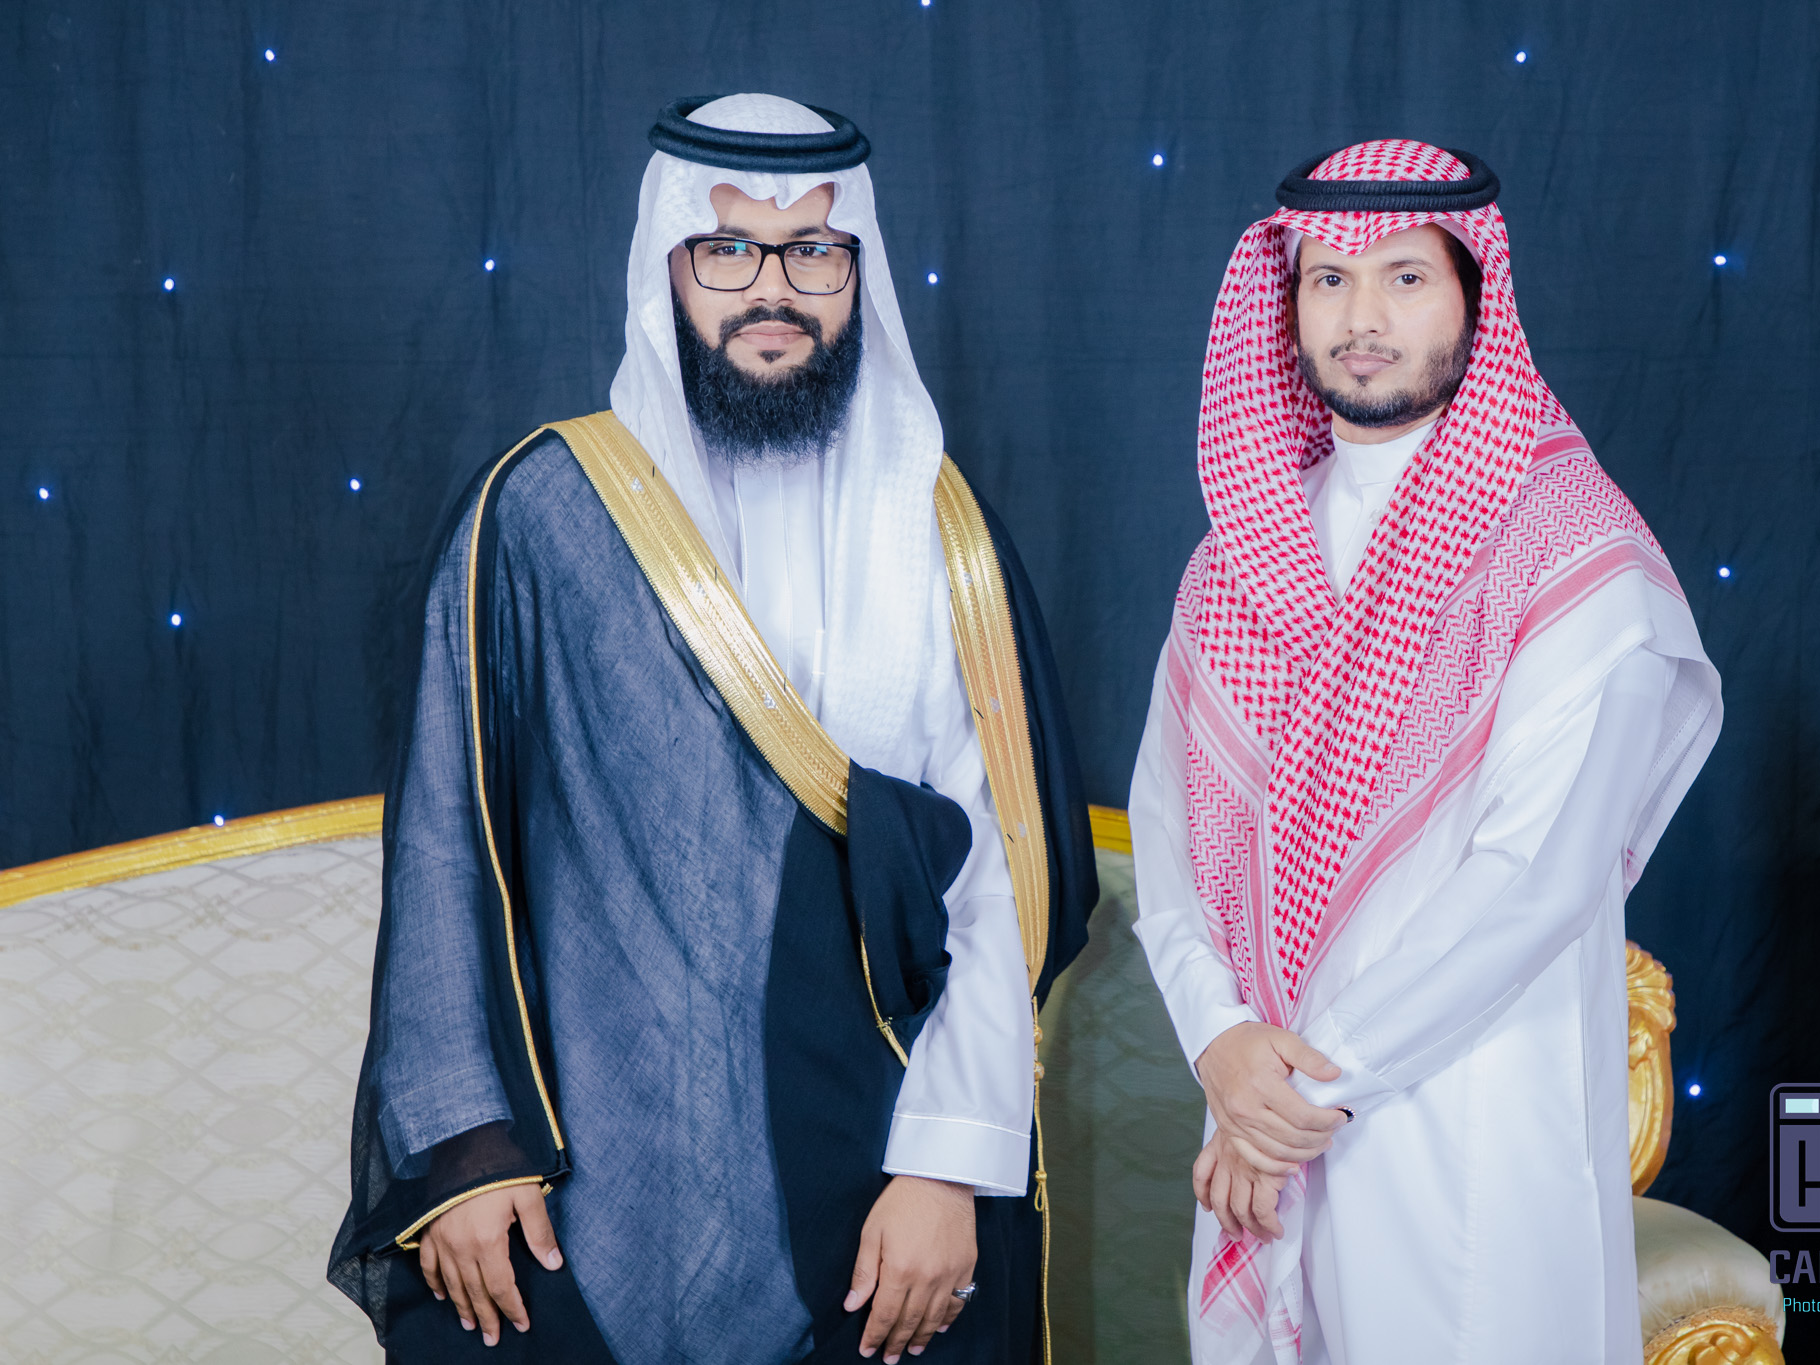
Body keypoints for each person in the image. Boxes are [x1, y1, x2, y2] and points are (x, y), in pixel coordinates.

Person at [328, 93, 1094, 1365]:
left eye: (813, 253)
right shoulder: (545, 514)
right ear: (667, 267)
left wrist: (948, 1165)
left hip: (880, 1160)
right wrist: (466, 1152)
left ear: (858, 273)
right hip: (581, 1163)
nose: (771, 290)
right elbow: (446, 844)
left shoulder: (939, 531)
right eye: (728, 249)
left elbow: (998, 883)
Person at [1128, 139, 1722, 1362]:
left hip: (1467, 1116)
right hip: (1261, 1102)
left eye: (1403, 277)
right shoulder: (1239, 552)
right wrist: (1219, 1044)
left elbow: (1534, 879)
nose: (1361, 319)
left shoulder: (1569, 549)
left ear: (1471, 295)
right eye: (1328, 279)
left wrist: (1300, 1094)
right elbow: (1165, 830)